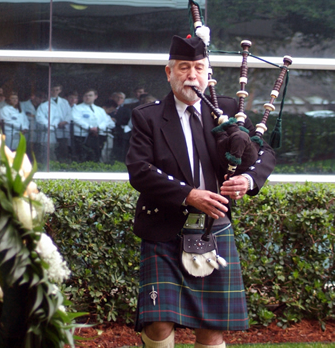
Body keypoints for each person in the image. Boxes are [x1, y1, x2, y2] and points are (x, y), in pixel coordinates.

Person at [126, 35, 276, 348]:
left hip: (213, 229)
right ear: (169, 73)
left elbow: (263, 152)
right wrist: (189, 194)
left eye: (198, 68)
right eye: (183, 67)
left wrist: (248, 179)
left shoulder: (229, 110)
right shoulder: (148, 116)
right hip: (164, 229)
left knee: (212, 328)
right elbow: (140, 170)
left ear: (208, 74)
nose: (191, 75)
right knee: (158, 323)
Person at [72, 89, 114, 162]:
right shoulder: (77, 108)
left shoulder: (100, 110)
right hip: (82, 135)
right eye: (86, 95)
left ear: (95, 96)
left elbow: (106, 121)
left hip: (98, 135)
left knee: (96, 155)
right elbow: (76, 119)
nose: (88, 97)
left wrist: (99, 128)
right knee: (82, 156)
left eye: (90, 95)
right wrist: (90, 127)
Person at [109, 92, 132, 162]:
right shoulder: (106, 109)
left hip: (120, 134)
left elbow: (127, 122)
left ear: (123, 100)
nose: (119, 99)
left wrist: (116, 121)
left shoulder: (127, 110)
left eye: (121, 98)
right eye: (117, 97)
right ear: (112, 98)